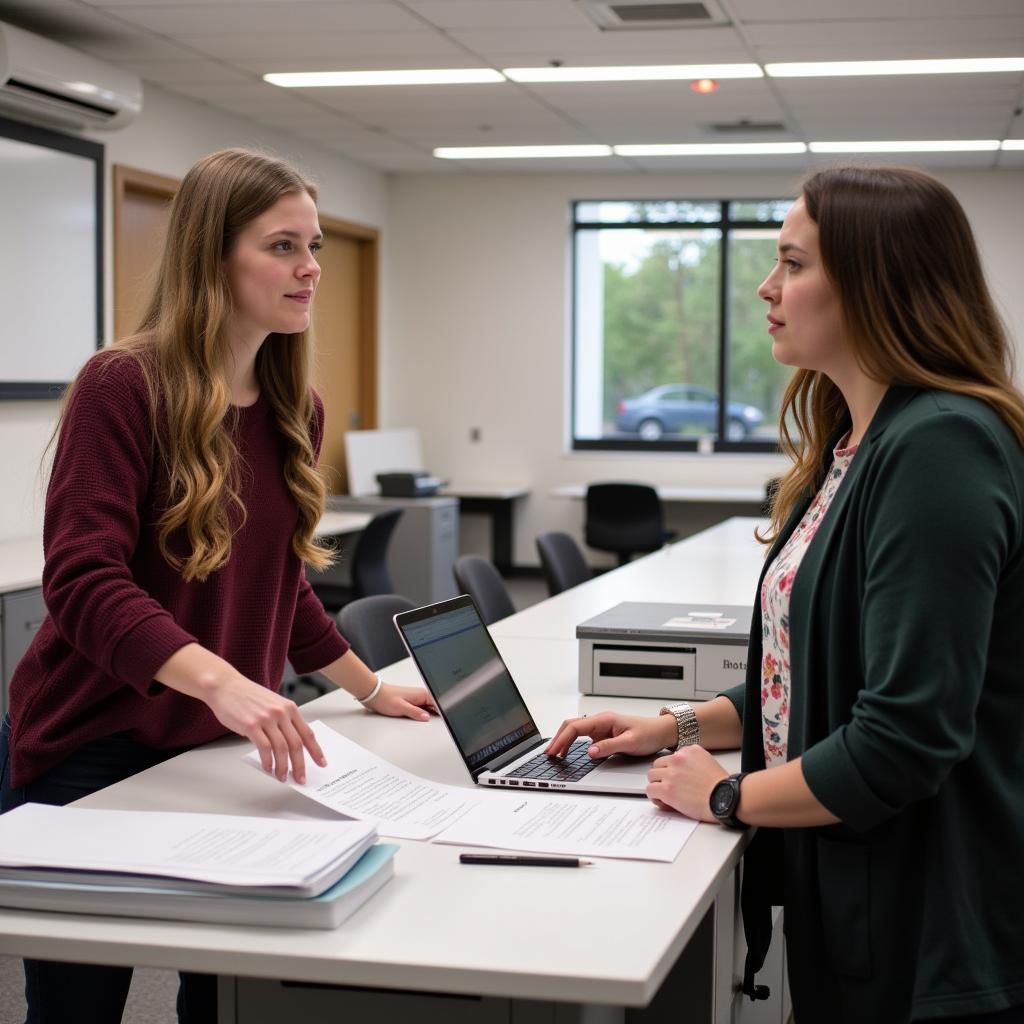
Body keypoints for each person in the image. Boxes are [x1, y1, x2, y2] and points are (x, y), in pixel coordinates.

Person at [547, 166, 1024, 1023]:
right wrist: (672, 728)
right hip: (856, 887)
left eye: (794, 264)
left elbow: (907, 737)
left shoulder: (942, 448)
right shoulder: (857, 441)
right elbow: (807, 668)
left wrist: (725, 795)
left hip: (933, 926)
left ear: (878, 284)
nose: (768, 287)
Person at [0, 147, 437, 1024]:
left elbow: (281, 591)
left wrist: (368, 686)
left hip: (210, 748)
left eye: (312, 245)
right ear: (213, 256)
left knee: (228, 988)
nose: (310, 268)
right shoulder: (122, 385)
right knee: (80, 1006)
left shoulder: (292, 406)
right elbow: (84, 581)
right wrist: (224, 682)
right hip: (95, 746)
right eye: (283, 246)